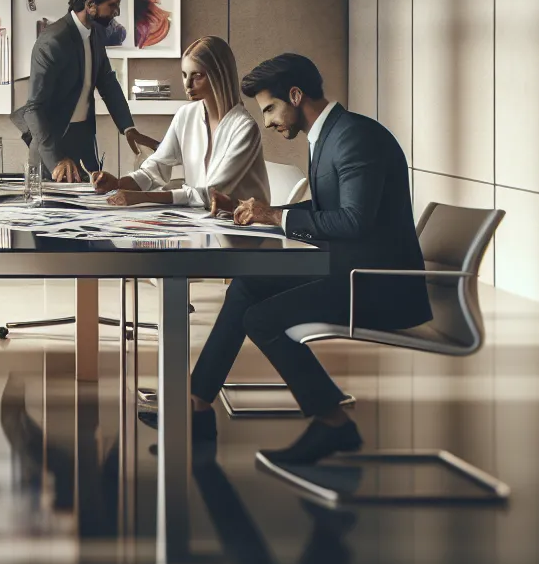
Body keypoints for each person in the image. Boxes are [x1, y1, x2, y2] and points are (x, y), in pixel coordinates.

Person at [153, 53, 429, 465]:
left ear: (295, 95)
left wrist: (276, 216)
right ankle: (197, 404)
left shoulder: (354, 137)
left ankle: (333, 421)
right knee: (249, 285)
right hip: (351, 273)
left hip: (378, 286)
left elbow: (353, 221)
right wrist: (252, 210)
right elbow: (328, 209)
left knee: (261, 318)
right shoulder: (332, 134)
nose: (266, 121)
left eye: (269, 108)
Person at [12, 0, 158, 183]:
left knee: (93, 214)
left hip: (84, 143)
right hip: (52, 149)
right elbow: (33, 109)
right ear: (90, 5)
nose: (117, 11)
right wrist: (58, 160)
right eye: (112, 5)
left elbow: (107, 81)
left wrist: (128, 128)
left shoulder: (96, 32)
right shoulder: (53, 41)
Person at [91, 35, 269, 208]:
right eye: (184, 74)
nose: (187, 84)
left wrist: (143, 197)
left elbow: (213, 194)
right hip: (201, 223)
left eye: (197, 75)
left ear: (218, 76)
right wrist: (117, 183)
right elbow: (155, 169)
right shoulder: (186, 115)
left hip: (243, 226)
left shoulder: (244, 128)